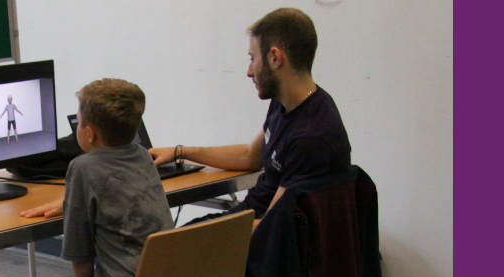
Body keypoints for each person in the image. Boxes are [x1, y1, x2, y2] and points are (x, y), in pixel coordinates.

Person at [1, 78, 174, 277]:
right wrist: (72, 200)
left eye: (79, 122)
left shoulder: (83, 168)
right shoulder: (142, 155)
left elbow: (81, 258)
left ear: (90, 133)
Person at [149, 8, 352, 225]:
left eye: (252, 58)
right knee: (170, 242)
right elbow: (250, 156)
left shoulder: (310, 138)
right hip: (249, 219)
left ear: (275, 57)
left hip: (259, 238)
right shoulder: (286, 103)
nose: (249, 71)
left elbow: (270, 229)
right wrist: (180, 152)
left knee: (165, 249)